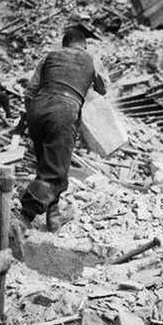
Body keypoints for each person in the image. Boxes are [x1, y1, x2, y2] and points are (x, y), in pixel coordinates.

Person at [16, 25, 107, 234]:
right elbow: (103, 88)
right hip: (64, 110)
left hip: (37, 109)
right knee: (54, 172)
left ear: (64, 44)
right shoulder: (91, 57)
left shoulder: (50, 56)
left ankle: (53, 214)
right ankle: (24, 217)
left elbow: (30, 91)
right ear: (84, 44)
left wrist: (31, 118)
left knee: (48, 165)